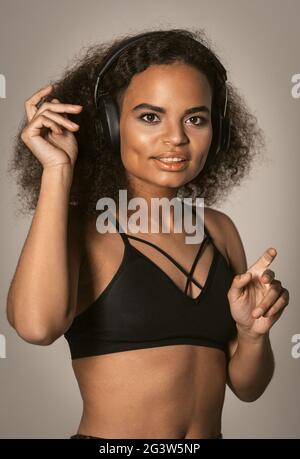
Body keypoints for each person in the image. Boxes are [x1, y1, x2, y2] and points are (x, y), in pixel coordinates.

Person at [6, 28, 289, 439]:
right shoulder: (82, 231)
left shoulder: (219, 230)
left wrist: (252, 334)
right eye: (150, 116)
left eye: (195, 118)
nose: (176, 137)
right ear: (109, 125)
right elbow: (35, 327)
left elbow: (249, 387)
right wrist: (57, 170)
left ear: (218, 131)